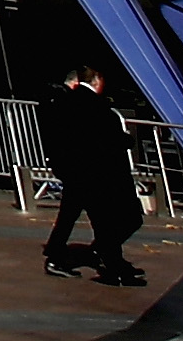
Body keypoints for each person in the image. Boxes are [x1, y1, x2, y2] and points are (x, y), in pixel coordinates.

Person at [36, 62, 147, 286]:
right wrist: (126, 140)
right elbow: (110, 140)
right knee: (113, 220)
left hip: (75, 171)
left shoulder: (65, 102)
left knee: (69, 217)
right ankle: (113, 266)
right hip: (96, 173)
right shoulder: (98, 107)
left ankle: (57, 257)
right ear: (96, 80)